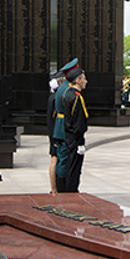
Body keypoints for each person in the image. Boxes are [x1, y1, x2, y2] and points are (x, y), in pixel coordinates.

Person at [52, 58, 80, 192]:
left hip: (59, 125)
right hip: (64, 126)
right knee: (64, 159)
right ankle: (62, 187)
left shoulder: (62, 87)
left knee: (61, 157)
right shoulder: (67, 89)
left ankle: (60, 185)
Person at [62, 67, 88, 192]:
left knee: (71, 166)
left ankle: (70, 190)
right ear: (77, 80)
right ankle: (71, 192)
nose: (86, 81)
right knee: (74, 167)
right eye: (83, 79)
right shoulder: (77, 97)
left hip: (70, 136)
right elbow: (79, 122)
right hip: (75, 138)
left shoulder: (69, 94)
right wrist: (80, 142)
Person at [47, 71, 64, 193]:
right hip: (54, 132)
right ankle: (54, 189)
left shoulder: (53, 97)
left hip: (54, 132)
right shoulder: (55, 98)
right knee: (54, 159)